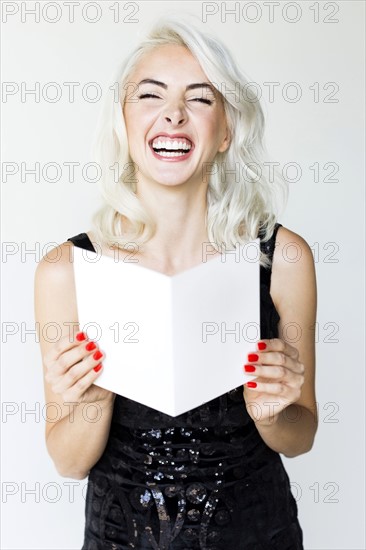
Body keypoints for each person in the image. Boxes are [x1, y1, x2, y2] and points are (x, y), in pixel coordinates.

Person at [34, 16, 318, 550]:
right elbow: (68, 462)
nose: (173, 113)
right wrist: (93, 396)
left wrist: (272, 413)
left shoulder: (284, 257)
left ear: (227, 130)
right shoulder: (65, 270)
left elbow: (302, 436)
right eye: (150, 94)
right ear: (122, 121)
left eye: (201, 98)